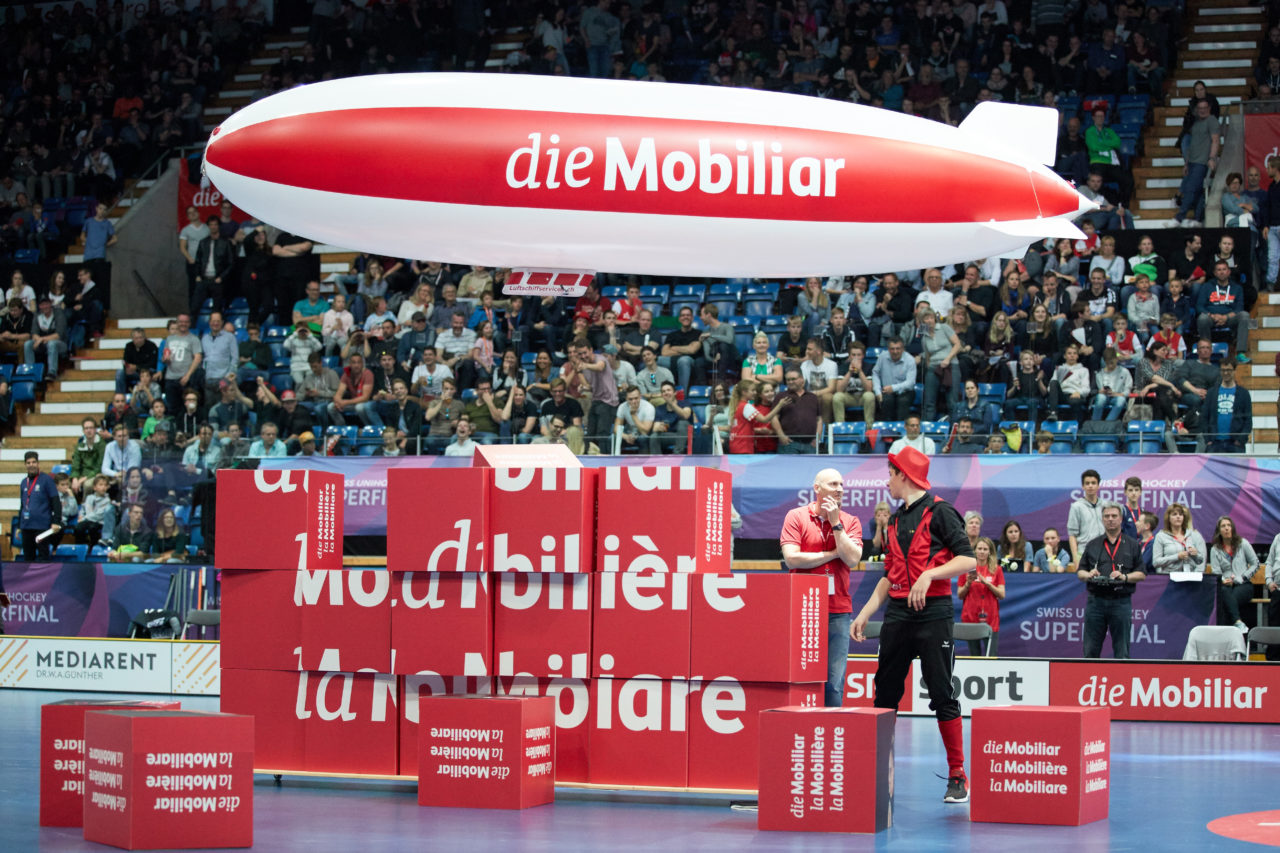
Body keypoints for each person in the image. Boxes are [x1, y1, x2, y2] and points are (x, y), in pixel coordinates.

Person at [851, 447, 976, 804]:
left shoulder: (941, 512)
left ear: (903, 474)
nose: (886, 480)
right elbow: (889, 577)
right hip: (897, 616)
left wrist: (930, 575)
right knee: (884, 695)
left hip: (934, 614)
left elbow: (967, 559)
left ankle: (958, 776)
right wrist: (865, 612)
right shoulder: (892, 521)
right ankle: (877, 771)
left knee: (942, 694)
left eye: (890, 473)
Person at [780, 468, 864, 707]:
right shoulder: (796, 516)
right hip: (802, 609)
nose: (839, 489)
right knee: (798, 675)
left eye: (841, 485)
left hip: (837, 610)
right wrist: (831, 554)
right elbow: (792, 559)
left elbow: (852, 559)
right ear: (817, 488)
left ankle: (830, 732)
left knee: (834, 682)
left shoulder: (850, 521)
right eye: (833, 484)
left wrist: (836, 523)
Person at [1077, 501, 1145, 659]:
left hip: (1121, 602)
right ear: (1102, 519)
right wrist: (1088, 574)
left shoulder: (1133, 545)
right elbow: (1080, 572)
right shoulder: (1093, 545)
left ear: (1121, 518)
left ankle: (1121, 682)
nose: (1110, 519)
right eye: (1106, 516)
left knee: (1122, 651)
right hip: (1096, 602)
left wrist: (1125, 577)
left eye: (1114, 516)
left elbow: (1141, 574)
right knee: (1090, 651)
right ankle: (1088, 682)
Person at [1209, 515, 1258, 632]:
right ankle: (1238, 624)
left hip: (1243, 584)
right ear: (1219, 531)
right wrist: (1222, 580)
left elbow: (1255, 563)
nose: (1226, 528)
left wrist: (1242, 577)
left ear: (1232, 528)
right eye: (1223, 526)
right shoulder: (1215, 549)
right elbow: (1216, 571)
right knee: (1224, 593)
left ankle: (1225, 633)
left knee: (1228, 602)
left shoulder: (1243, 543)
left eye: (1229, 525)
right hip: (1226, 586)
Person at [959, 537, 1005, 656]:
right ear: (974, 550)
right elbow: (960, 594)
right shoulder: (967, 568)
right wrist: (968, 583)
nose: (982, 551)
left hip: (991, 619)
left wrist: (987, 583)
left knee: (992, 655)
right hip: (971, 617)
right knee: (974, 655)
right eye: (979, 548)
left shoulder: (997, 569)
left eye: (985, 549)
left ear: (990, 551)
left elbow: (1002, 594)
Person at [18, 451, 62, 560]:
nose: (31, 465)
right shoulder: (24, 482)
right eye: (28, 463)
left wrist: (56, 521)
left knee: (43, 557)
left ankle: (44, 578)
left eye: (34, 462)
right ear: (25, 465)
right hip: (26, 526)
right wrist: (20, 524)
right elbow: (22, 504)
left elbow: (56, 501)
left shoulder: (47, 480)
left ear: (38, 464)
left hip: (42, 526)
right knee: (28, 558)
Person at [1201, 360, 1252, 453]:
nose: (1226, 373)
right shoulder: (1212, 392)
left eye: (1229, 370)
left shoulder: (1244, 393)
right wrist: (1208, 439)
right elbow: (1204, 417)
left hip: (1235, 444)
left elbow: (1248, 420)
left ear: (1234, 371)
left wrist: (1240, 440)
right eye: (1223, 370)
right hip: (1214, 443)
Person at [773, 369, 822, 453]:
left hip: (810, 444)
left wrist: (817, 438)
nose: (790, 382)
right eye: (788, 380)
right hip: (789, 443)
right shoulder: (780, 396)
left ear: (802, 379)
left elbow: (819, 419)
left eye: (793, 379)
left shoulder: (813, 397)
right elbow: (774, 417)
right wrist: (781, 436)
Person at [1068, 468, 1104, 567]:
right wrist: (1075, 558)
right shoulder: (1076, 507)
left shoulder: (1106, 505)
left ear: (1098, 485)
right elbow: (1072, 535)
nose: (1090, 486)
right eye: (1087, 483)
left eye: (1093, 483)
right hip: (1084, 553)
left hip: (1105, 553)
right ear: (1083, 486)